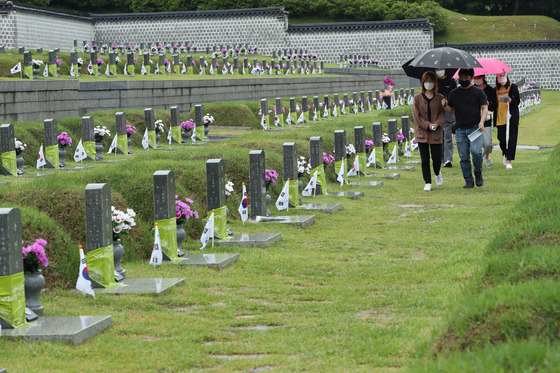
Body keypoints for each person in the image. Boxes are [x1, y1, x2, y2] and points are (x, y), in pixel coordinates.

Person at [442, 68, 488, 189]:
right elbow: (450, 110)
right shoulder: (454, 93)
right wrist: (445, 105)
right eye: (461, 77)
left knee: (476, 152)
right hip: (460, 129)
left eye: (466, 77)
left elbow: (484, 107)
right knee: (464, 156)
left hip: (475, 128)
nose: (463, 79)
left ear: (471, 78)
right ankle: (468, 179)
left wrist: (482, 122)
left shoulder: (478, 92)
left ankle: (478, 172)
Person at [412, 71, 445, 191]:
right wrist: (427, 125)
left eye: (431, 81)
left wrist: (437, 124)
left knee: (436, 158)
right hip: (422, 133)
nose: (428, 84)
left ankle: (437, 172)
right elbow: (417, 116)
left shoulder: (440, 98)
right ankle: (427, 182)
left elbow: (442, 114)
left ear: (435, 83)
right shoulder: (417, 98)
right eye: (426, 81)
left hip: (436, 133)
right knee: (424, 159)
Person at [494, 72, 520, 170]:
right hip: (500, 119)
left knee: (511, 140)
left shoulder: (512, 87)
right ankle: (505, 154)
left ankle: (509, 161)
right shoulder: (496, 89)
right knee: (502, 140)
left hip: (511, 118)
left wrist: (511, 100)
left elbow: (517, 101)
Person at [473, 75, 498, 168]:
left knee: (487, 143)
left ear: (483, 77)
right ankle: (477, 163)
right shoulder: (472, 90)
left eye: (478, 77)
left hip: (486, 120)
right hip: (475, 120)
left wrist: (487, 104)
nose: (476, 80)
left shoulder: (490, 90)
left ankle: (486, 156)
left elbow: (494, 105)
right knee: (476, 146)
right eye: (474, 78)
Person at [436, 68, 457, 168]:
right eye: (437, 69)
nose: (439, 71)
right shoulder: (434, 82)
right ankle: (440, 158)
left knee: (447, 135)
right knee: (438, 135)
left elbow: (454, 96)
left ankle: (448, 159)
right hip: (437, 113)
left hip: (448, 110)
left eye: (441, 69)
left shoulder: (451, 81)